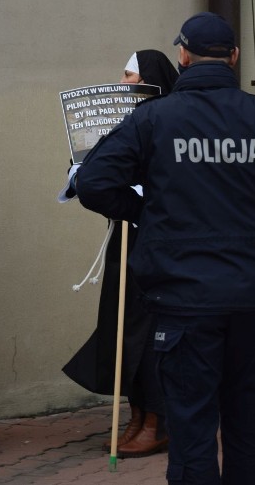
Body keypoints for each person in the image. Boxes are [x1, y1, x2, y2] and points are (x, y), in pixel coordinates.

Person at [75, 12, 255, 485]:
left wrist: (148, 214)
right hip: (251, 303)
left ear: (182, 57)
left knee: (191, 435)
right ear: (232, 57)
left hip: (183, 304)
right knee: (249, 435)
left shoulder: (152, 118)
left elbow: (94, 182)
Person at [61, 50, 179, 457]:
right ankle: (137, 413)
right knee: (121, 325)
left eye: (131, 77)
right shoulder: (125, 125)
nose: (124, 84)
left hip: (157, 242)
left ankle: (158, 420)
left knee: (147, 331)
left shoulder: (168, 123)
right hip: (125, 240)